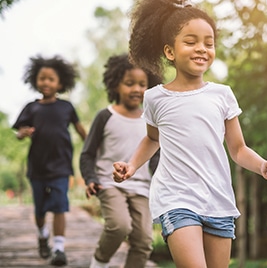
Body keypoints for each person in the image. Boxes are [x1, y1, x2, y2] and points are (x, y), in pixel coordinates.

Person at [112, 0, 267, 268]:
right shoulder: (155, 97)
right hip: (176, 198)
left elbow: (238, 149)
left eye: (209, 42)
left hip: (218, 199)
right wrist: (132, 166)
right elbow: (152, 139)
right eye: (191, 42)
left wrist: (262, 165)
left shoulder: (222, 95)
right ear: (170, 51)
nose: (202, 48)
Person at [80, 53, 162, 268]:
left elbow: (155, 157)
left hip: (142, 187)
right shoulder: (105, 116)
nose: (136, 89)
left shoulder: (150, 119)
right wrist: (90, 178)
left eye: (142, 84)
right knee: (119, 226)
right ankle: (99, 262)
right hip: (108, 183)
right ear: (116, 85)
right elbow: (87, 153)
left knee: (144, 240)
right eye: (129, 83)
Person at [12, 55, 86, 266]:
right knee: (40, 211)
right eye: (42, 78)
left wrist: (93, 146)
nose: (46, 82)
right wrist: (23, 133)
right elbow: (18, 133)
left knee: (60, 207)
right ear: (35, 80)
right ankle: (42, 234)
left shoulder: (66, 107)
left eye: (51, 79)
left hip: (61, 166)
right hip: (37, 167)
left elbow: (81, 130)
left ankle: (59, 249)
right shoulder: (31, 108)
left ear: (60, 83)